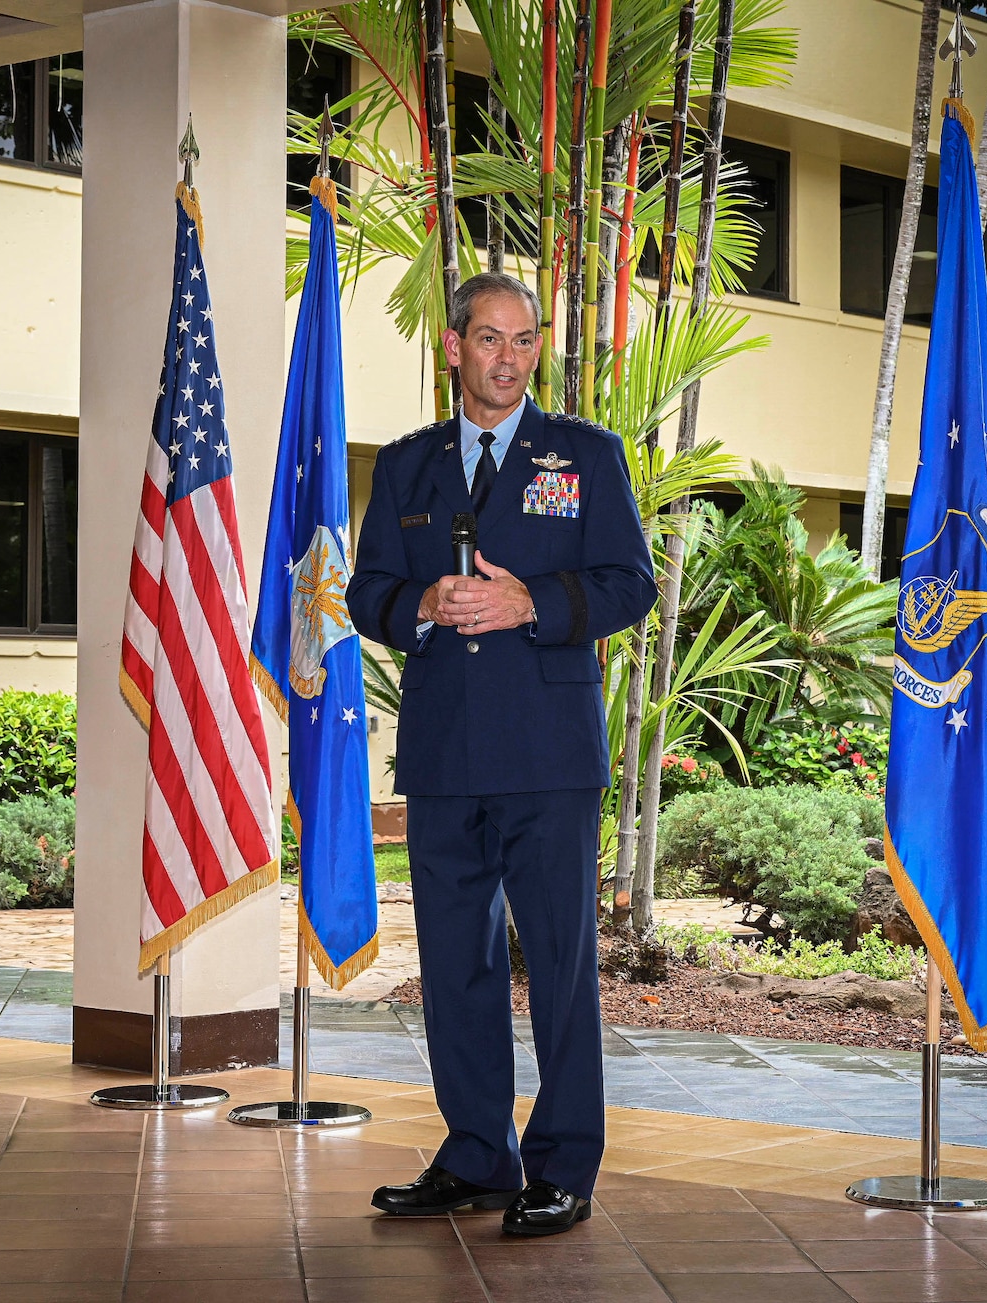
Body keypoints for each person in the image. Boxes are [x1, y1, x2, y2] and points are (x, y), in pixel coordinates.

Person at [348, 273, 655, 1236]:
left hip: (548, 752)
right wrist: (423, 606)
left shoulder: (586, 455)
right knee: (454, 964)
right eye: (491, 339)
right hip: (443, 755)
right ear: (454, 347)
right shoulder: (406, 466)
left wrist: (536, 603)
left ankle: (564, 1163)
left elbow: (629, 583)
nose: (510, 358)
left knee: (559, 962)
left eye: (525, 342)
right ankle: (478, 1153)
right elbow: (366, 595)